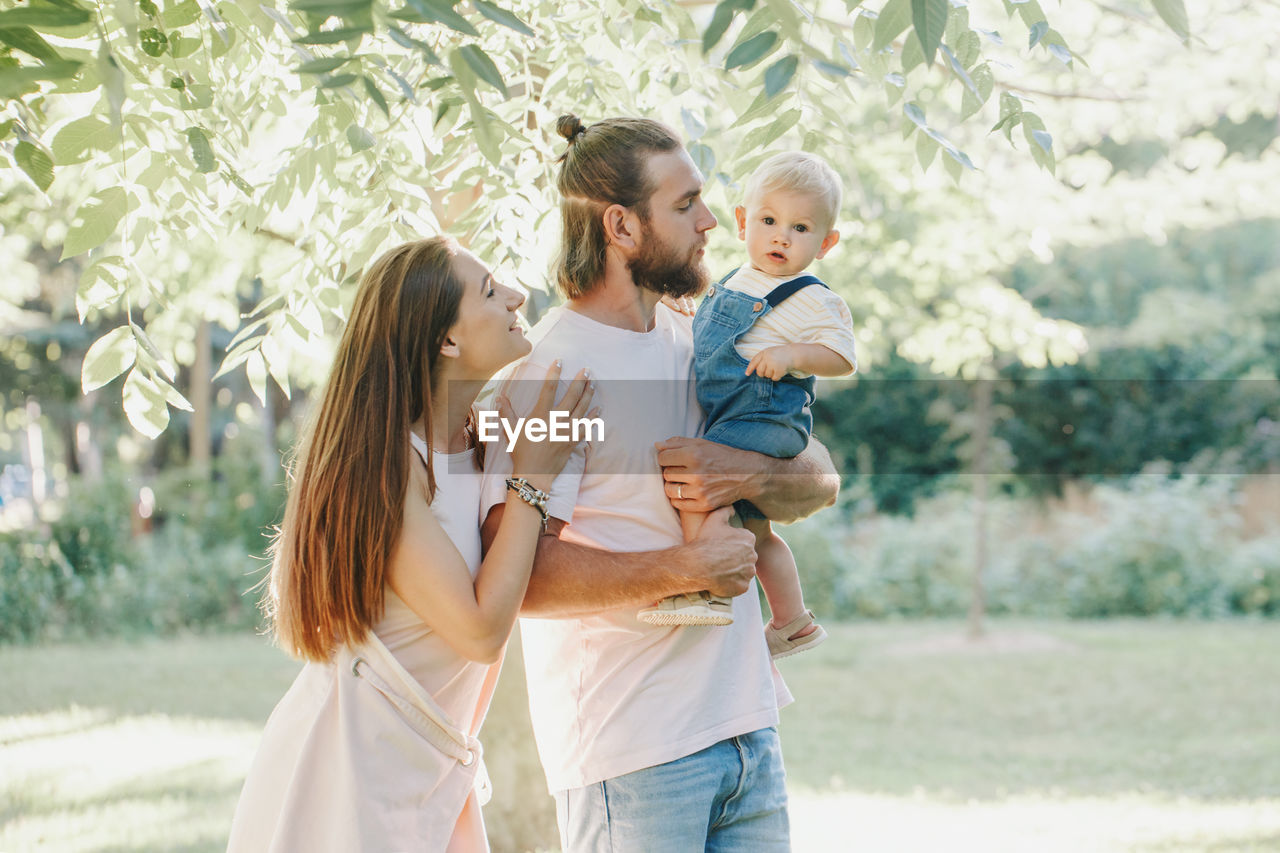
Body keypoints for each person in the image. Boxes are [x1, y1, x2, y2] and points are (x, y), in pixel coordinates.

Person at [479, 116, 841, 851]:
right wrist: (681, 569)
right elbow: (516, 578)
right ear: (621, 225)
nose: (712, 222)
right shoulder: (547, 375)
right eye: (685, 205)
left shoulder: (704, 335)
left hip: (746, 728)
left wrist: (747, 471)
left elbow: (821, 478)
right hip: (635, 754)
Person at [226, 237, 594, 852]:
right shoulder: (391, 463)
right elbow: (479, 631)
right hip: (349, 771)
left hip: (427, 767)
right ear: (447, 341)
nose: (517, 295)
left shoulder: (481, 441)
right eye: (489, 290)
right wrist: (532, 478)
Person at [638, 151, 856, 660]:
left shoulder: (811, 298)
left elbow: (842, 356)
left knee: (699, 486)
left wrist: (795, 355)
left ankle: (702, 588)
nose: (781, 236)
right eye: (769, 220)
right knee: (759, 535)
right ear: (742, 222)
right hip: (738, 414)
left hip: (767, 417)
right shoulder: (736, 280)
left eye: (801, 228)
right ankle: (793, 621)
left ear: (825, 243)